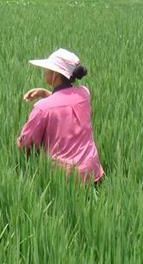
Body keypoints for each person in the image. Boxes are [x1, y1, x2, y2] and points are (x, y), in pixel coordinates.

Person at [17, 48, 104, 184]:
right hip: (93, 172)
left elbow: (26, 144)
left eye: (47, 68)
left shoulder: (42, 108)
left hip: (65, 180)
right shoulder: (84, 94)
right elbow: (66, 102)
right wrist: (46, 93)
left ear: (55, 75)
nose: (44, 71)